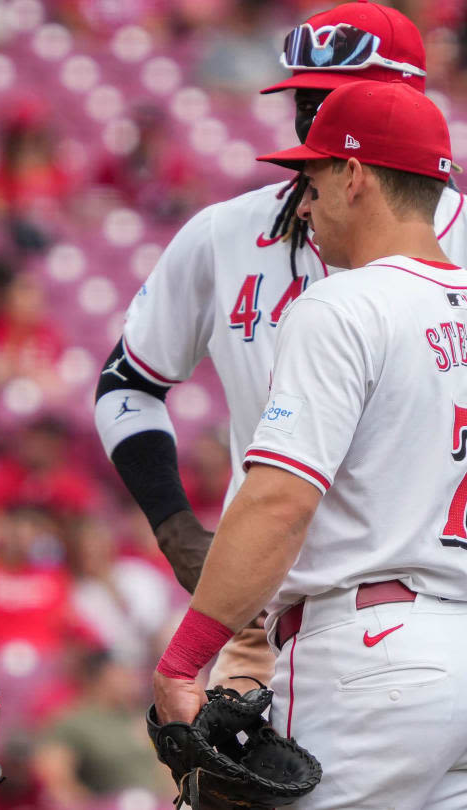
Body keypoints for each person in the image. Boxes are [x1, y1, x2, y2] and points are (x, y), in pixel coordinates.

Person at [94, 0, 467, 689]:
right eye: (304, 95)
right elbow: (127, 385)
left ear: (406, 103)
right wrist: (175, 524)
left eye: (334, 97)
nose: (311, 117)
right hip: (267, 616)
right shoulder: (225, 233)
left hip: (437, 598)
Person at [154, 78, 467, 809]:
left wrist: (184, 661)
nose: (303, 202)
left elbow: (278, 502)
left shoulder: (343, 304)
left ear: (355, 176)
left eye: (313, 178)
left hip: (368, 663)